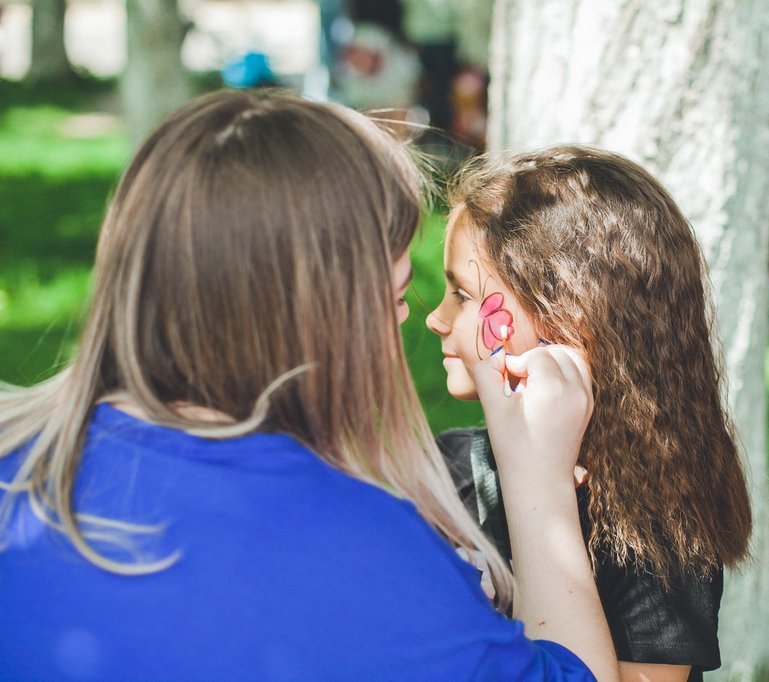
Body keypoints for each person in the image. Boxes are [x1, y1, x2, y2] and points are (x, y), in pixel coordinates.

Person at [0, 90, 620, 680]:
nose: (413, 319)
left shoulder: (16, 469)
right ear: (327, 315)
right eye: (397, 294)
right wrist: (538, 484)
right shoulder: (374, 563)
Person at [426, 146, 754, 682]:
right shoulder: (447, 472)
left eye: (462, 295)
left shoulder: (655, 524)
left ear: (569, 316)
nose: (436, 318)